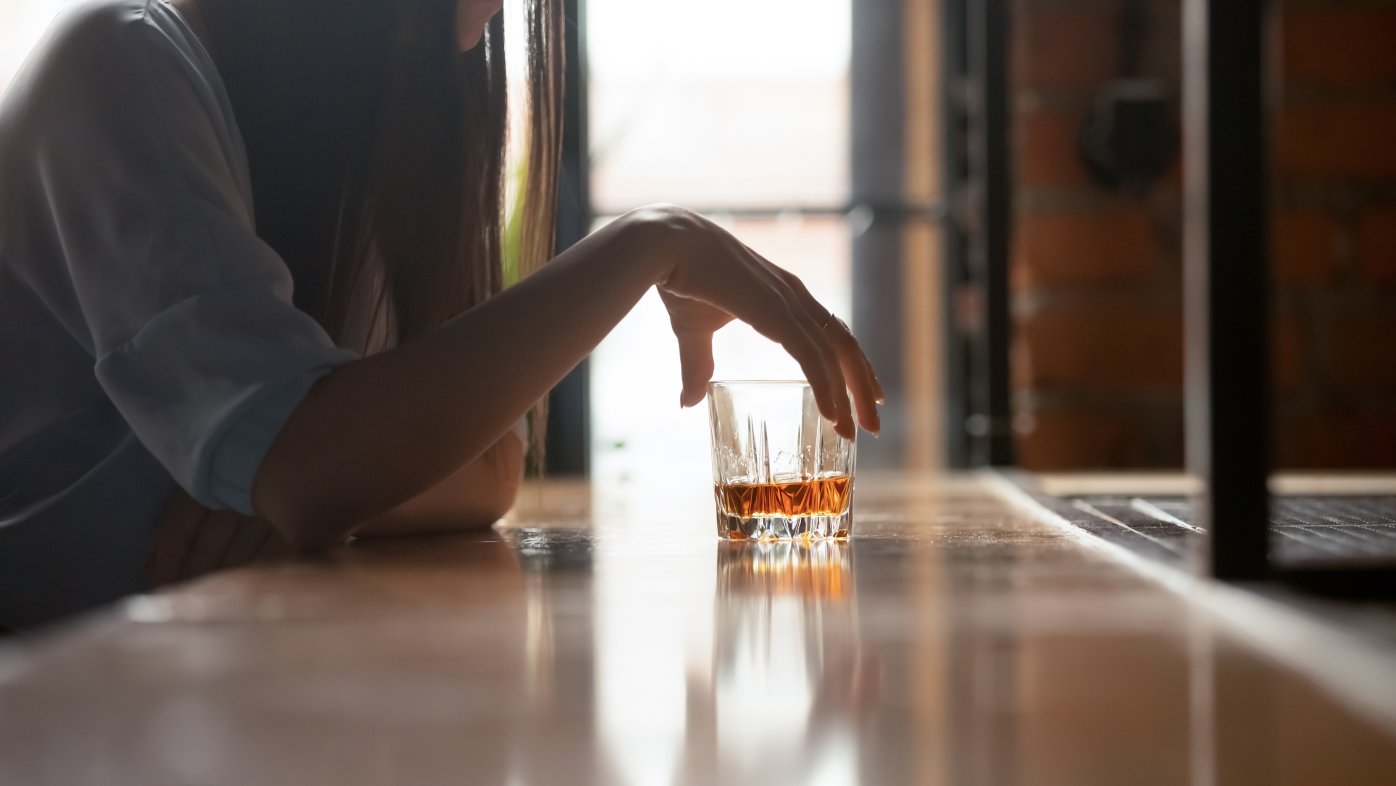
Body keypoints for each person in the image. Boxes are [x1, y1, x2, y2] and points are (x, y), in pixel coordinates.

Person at [0, 0, 882, 629]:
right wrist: (649, 244)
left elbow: (488, 465)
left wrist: (320, 471)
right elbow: (325, 469)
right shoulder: (120, 65)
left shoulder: (347, 170)